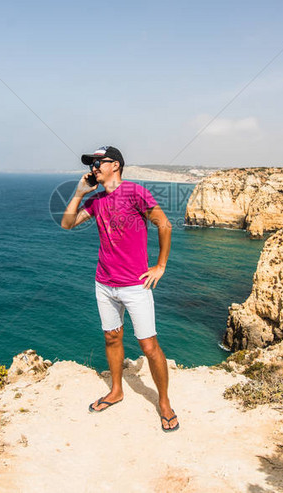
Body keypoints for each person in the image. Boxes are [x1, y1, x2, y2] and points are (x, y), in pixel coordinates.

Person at [60, 145, 179, 432]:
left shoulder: (136, 193)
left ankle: (164, 402)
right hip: (104, 283)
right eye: (92, 163)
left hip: (136, 285)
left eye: (98, 162)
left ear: (116, 165)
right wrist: (79, 193)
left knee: (149, 346)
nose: (93, 168)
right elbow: (67, 224)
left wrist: (160, 266)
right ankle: (116, 390)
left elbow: (164, 224)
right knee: (112, 338)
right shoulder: (97, 200)